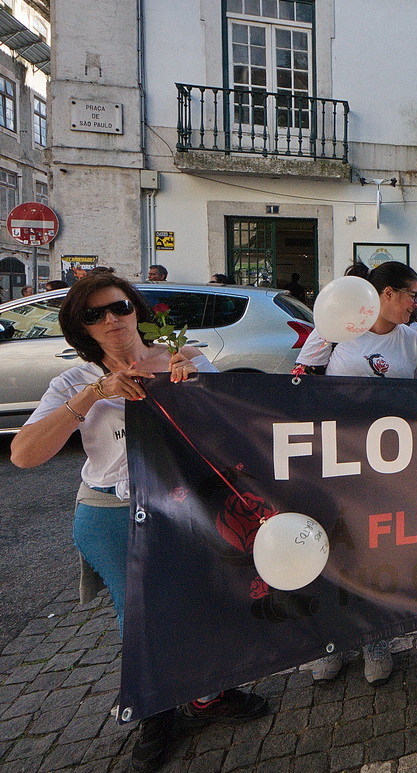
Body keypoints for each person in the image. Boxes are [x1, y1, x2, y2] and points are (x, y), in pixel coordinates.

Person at [9, 274, 269, 772]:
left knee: (203, 601)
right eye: (94, 315)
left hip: (185, 505)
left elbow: (231, 435)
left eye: (120, 307)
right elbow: (23, 454)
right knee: (144, 616)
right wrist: (93, 395)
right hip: (113, 512)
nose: (111, 319)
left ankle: (208, 696)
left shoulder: (186, 359)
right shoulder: (74, 382)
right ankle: (156, 710)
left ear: (137, 310)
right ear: (82, 328)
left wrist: (197, 392)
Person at [309, 262, 417, 685]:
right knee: (338, 548)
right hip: (337, 463)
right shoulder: (335, 330)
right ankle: (334, 640)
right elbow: (298, 389)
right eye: (412, 295)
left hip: (389, 467)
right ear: (386, 293)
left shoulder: (413, 338)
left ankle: (376, 638)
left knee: (377, 550)